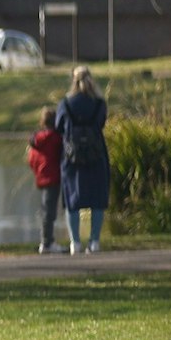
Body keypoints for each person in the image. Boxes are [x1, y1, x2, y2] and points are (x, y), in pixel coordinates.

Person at [54, 65, 110, 254]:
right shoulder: (99, 103)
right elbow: (101, 122)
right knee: (97, 198)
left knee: (72, 199)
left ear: (73, 80)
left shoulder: (65, 104)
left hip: (72, 157)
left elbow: (59, 126)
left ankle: (75, 242)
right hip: (96, 154)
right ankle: (94, 241)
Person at [26, 104, 63, 253]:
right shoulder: (55, 138)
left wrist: (37, 171)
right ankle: (47, 242)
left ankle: (46, 241)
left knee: (46, 209)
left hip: (41, 178)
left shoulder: (37, 140)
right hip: (53, 177)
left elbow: (31, 159)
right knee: (49, 212)